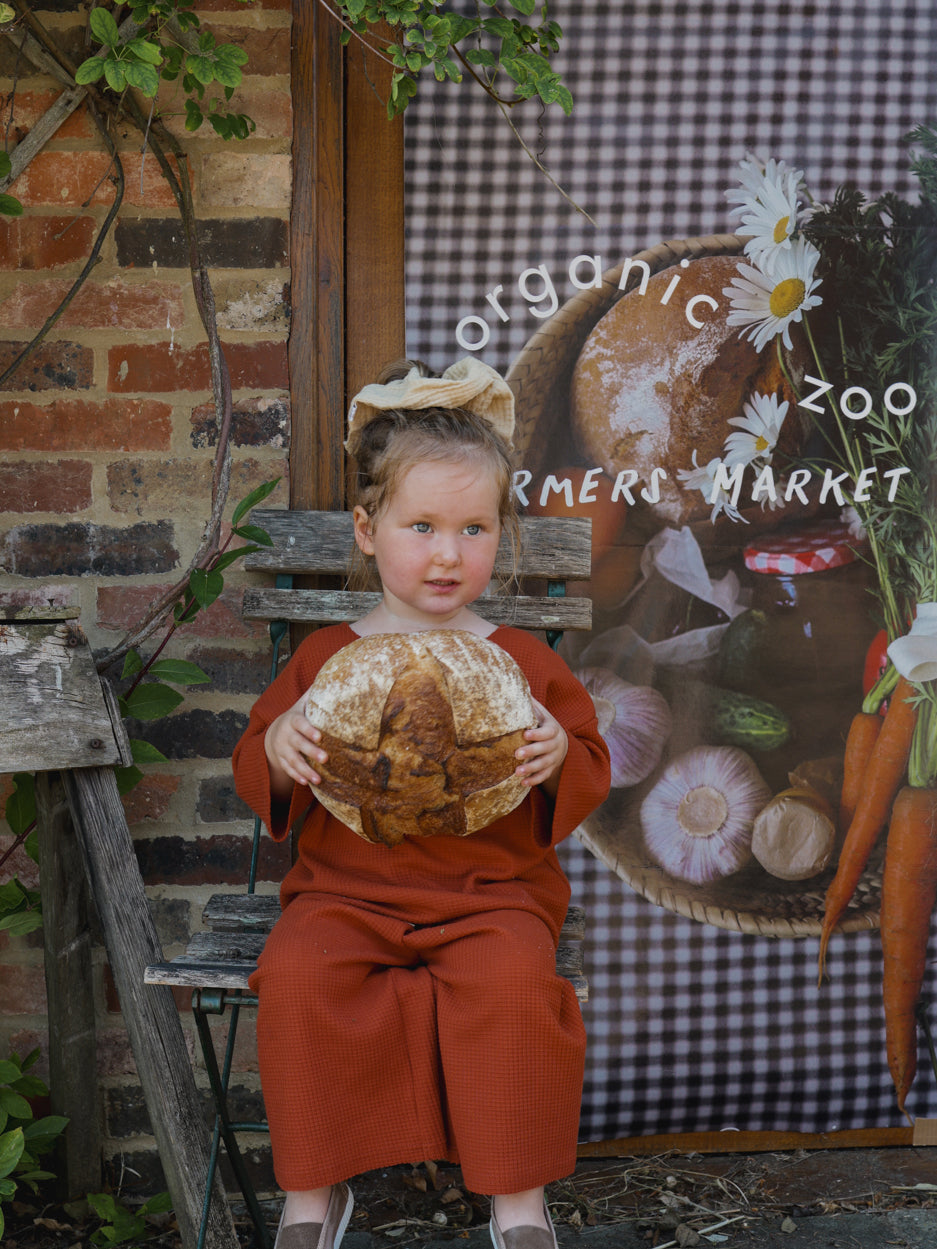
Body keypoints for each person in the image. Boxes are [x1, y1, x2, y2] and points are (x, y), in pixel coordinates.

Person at [232, 357, 611, 1249]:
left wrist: (558, 754)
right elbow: (259, 756)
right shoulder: (327, 656)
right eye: (423, 526)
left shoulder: (523, 660)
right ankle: (311, 1193)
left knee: (517, 986)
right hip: (345, 896)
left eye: (474, 528)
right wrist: (281, 750)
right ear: (368, 531)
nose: (448, 552)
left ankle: (516, 1200)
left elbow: (587, 761)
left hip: (492, 897)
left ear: (500, 535)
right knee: (295, 977)